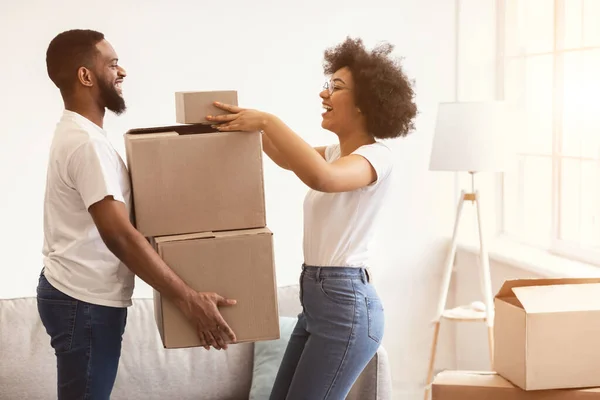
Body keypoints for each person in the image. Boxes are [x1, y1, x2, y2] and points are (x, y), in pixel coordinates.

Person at [206, 37, 417, 399]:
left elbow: (323, 178)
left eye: (335, 87)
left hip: (346, 306)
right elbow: (287, 158)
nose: (324, 95)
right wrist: (246, 125)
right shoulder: (335, 152)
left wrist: (269, 121)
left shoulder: (377, 158)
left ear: (366, 102)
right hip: (321, 301)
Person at [38, 29, 237, 400]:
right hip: (83, 302)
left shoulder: (80, 134)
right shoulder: (86, 144)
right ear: (85, 76)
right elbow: (119, 235)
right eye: (112, 64)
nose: (122, 71)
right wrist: (188, 299)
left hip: (79, 297)